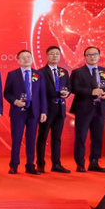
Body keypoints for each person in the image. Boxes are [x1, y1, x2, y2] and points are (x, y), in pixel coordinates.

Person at [70, 46, 105, 173]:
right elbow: (74, 88)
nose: (92, 57)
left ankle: (94, 162)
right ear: (85, 57)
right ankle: (80, 163)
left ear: (99, 56)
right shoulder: (78, 72)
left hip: (100, 108)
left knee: (97, 137)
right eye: (89, 55)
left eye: (95, 54)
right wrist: (91, 92)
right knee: (81, 137)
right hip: (83, 109)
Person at [4, 50, 47, 175]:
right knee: (16, 139)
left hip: (34, 111)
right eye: (23, 57)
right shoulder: (12, 74)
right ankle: (14, 165)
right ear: (18, 60)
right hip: (18, 111)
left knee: (31, 139)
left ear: (32, 59)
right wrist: (15, 101)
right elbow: (7, 93)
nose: (26, 59)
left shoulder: (38, 74)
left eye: (28, 57)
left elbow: (42, 94)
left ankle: (30, 165)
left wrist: (43, 111)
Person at [35, 46, 72, 174]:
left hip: (60, 108)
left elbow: (68, 87)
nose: (55, 56)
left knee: (57, 138)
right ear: (47, 56)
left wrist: (67, 93)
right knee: (42, 137)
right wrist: (42, 110)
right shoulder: (40, 72)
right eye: (52, 54)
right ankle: (40, 164)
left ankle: (56, 164)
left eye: (57, 54)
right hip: (46, 109)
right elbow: (38, 93)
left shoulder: (64, 72)